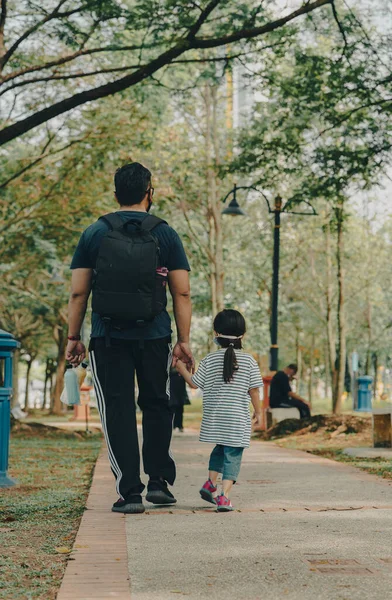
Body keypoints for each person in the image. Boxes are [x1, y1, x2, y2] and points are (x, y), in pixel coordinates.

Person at [66, 162, 194, 515]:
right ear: (149, 193)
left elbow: (78, 293)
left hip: (108, 337)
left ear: (115, 195)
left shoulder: (94, 233)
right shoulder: (166, 234)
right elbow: (181, 293)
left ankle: (129, 492)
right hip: (155, 335)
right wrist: (183, 340)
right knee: (157, 404)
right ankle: (159, 483)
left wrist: (73, 336)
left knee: (118, 411)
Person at [176, 309, 263, 512]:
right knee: (233, 455)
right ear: (243, 335)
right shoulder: (249, 361)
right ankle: (224, 497)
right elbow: (254, 391)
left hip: (216, 420)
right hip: (237, 421)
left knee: (220, 449)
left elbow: (194, 383)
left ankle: (210, 483)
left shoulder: (210, 359)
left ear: (216, 334)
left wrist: (181, 368)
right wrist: (259, 413)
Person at [169, 367, 190, 432]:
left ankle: (179, 425)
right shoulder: (171, 374)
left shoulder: (182, 373)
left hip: (180, 393)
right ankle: (174, 425)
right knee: (173, 410)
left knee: (180, 410)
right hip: (174, 393)